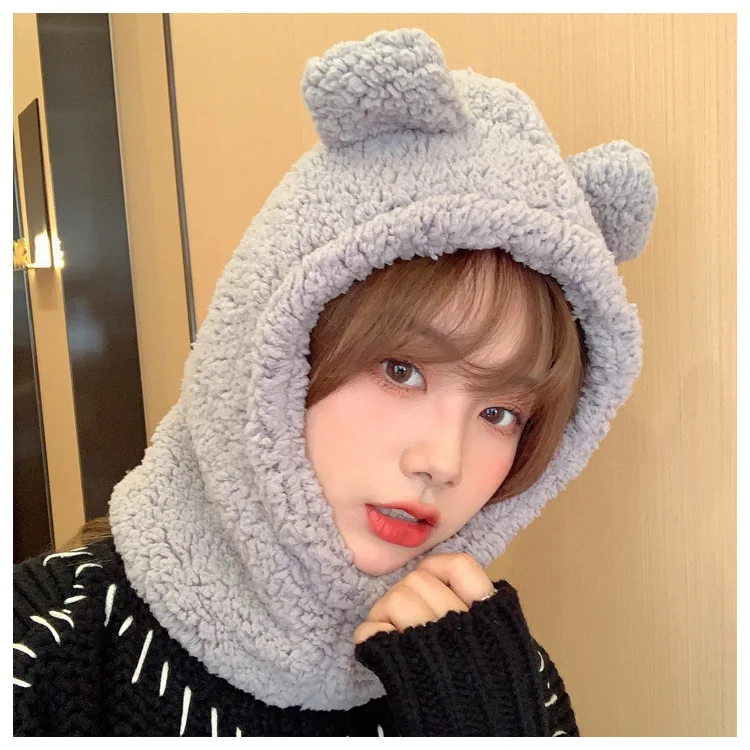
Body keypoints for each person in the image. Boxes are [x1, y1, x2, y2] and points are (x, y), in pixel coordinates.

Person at [13, 28, 656, 736]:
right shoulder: (42, 648)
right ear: (273, 349)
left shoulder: (500, 675)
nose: (442, 462)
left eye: (501, 413)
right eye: (402, 370)